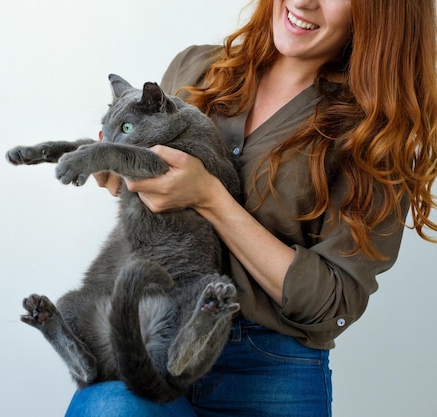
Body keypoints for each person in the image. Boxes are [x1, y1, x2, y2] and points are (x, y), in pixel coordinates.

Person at [65, 0, 437, 416]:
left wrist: (210, 197)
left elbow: (334, 301)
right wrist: (119, 175)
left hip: (270, 369)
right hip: (153, 332)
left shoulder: (377, 136)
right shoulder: (195, 69)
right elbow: (153, 203)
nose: (302, 2)